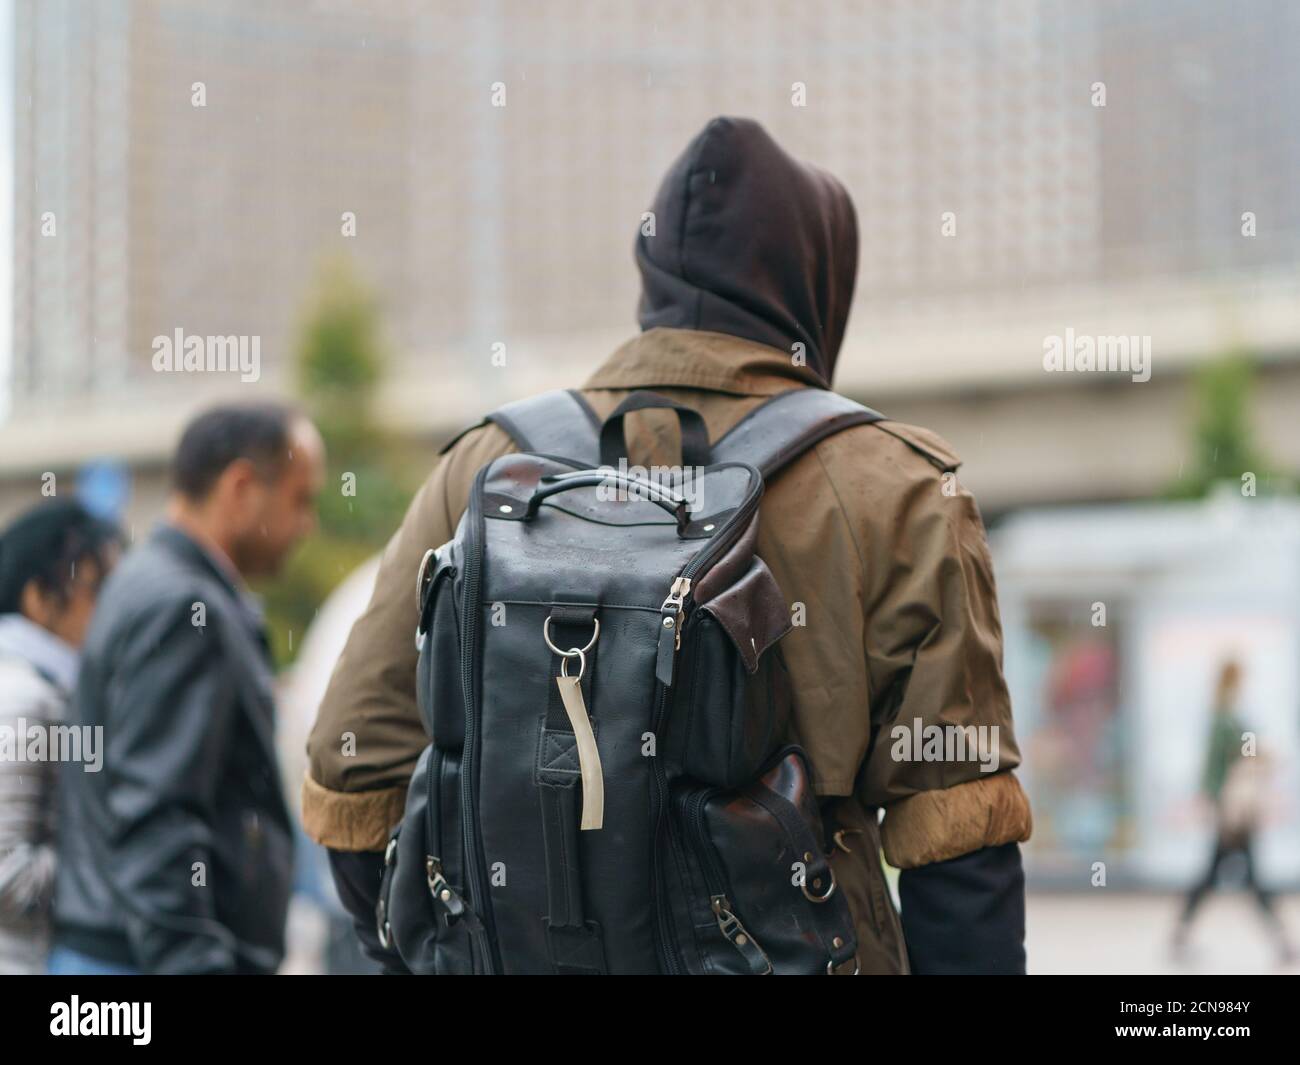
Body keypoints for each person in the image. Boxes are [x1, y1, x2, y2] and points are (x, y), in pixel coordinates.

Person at [303, 116, 1033, 975]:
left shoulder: (489, 469)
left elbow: (353, 769)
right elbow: (961, 854)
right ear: (816, 280)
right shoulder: (900, 489)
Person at [50, 403, 325, 974]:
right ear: (242, 486)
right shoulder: (184, 605)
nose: (308, 525)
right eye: (301, 499)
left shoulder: (155, 583)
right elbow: (157, 817)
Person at [0, 501, 121, 974]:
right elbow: (7, 872)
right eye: (97, 589)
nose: (112, 608)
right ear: (39, 598)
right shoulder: (23, 695)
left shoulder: (48, 686)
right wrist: (107, 852)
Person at [1173, 660, 1293, 963]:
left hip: (1232, 810)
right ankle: (1282, 942)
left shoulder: (1227, 718)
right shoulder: (1224, 720)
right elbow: (1220, 763)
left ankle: (1180, 936)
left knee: (1216, 874)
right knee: (1249, 876)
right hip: (1233, 813)